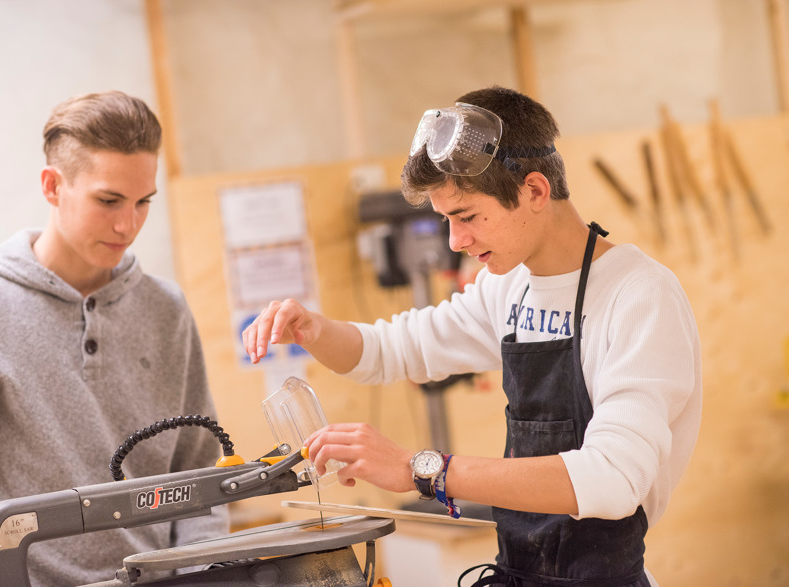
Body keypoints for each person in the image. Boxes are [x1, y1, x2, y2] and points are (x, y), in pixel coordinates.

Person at [242, 86, 702, 586]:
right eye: (446, 220)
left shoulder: (638, 296)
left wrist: (423, 470)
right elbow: (390, 350)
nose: (456, 241)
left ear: (534, 191)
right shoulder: (508, 286)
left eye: (467, 217)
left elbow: (613, 478)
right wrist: (313, 329)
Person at [0, 91, 228, 586]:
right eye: (108, 201)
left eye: (143, 202)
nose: (128, 224)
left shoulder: (167, 310)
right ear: (52, 186)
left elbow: (200, 480)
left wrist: (200, 578)